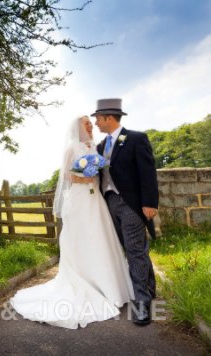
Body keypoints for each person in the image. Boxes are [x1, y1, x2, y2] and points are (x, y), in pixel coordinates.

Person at [9, 115, 134, 329]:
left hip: (96, 199)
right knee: (82, 238)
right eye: (85, 123)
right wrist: (84, 177)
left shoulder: (95, 148)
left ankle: (109, 287)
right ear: (77, 127)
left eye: (89, 122)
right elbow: (67, 176)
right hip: (79, 198)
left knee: (100, 236)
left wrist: (93, 173)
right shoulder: (72, 149)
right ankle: (85, 279)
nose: (89, 125)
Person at [92, 98, 159, 326]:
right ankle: (150, 288)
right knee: (133, 248)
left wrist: (150, 202)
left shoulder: (135, 139)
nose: (96, 123)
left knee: (134, 251)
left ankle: (142, 303)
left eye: (98, 119)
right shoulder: (100, 147)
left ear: (109, 117)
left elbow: (147, 172)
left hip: (131, 203)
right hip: (109, 202)